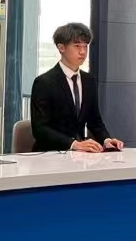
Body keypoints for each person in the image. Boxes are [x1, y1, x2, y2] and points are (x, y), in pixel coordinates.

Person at [30, 22, 124, 153]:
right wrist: (73, 144)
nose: (83, 52)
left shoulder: (89, 80)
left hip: (80, 154)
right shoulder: (44, 82)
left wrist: (106, 140)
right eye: (77, 46)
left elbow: (94, 120)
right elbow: (40, 128)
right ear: (61, 48)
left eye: (86, 46)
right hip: (51, 154)